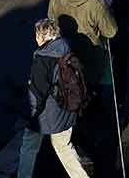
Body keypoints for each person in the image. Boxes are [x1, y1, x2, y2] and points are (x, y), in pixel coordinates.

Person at [17, 19, 90, 178]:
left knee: (29, 146)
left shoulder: (43, 58)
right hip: (68, 109)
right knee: (64, 147)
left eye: (37, 35)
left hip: (47, 114)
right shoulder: (66, 48)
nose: (36, 39)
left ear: (42, 37)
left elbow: (37, 93)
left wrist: (30, 116)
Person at [48, 0, 118, 115]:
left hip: (65, 54)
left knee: (68, 88)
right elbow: (111, 31)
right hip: (91, 57)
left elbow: (51, 18)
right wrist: (108, 8)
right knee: (90, 92)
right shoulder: (96, 4)